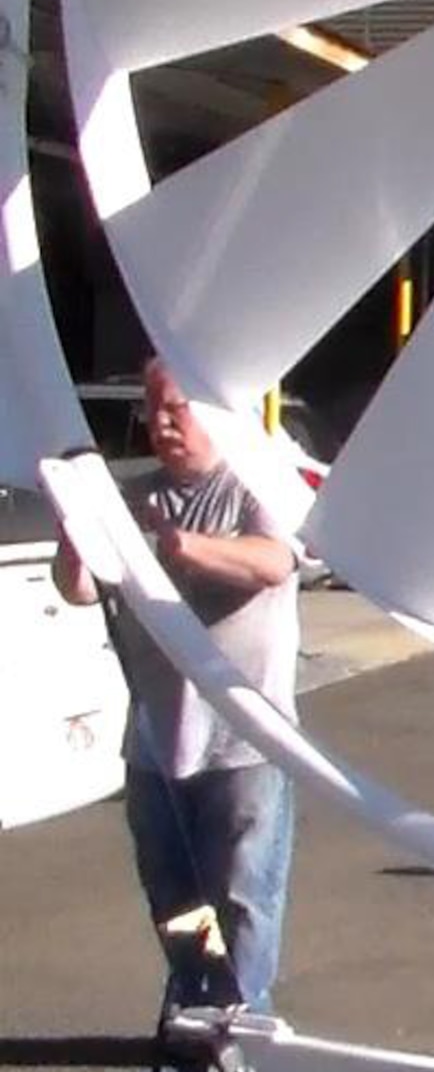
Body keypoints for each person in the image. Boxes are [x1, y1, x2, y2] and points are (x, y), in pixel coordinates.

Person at [56, 359, 302, 1023]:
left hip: (246, 741)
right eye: (152, 408)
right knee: (176, 894)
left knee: (243, 892)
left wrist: (179, 547)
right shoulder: (137, 497)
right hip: (158, 739)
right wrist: (76, 536)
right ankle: (195, 997)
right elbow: (80, 588)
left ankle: (241, 1020)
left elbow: (273, 561)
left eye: (177, 409)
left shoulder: (254, 486)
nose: (161, 424)